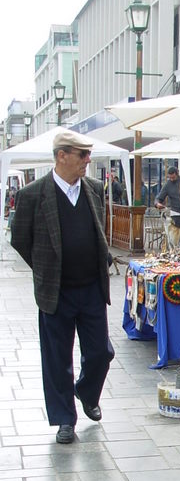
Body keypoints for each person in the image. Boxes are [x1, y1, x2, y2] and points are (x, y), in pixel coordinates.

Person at [11, 129, 114, 445]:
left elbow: (100, 233)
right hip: (56, 292)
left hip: (91, 289)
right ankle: (64, 420)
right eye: (82, 155)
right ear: (62, 156)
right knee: (57, 358)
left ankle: (86, 391)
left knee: (101, 353)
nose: (88, 160)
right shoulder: (33, 195)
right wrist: (44, 269)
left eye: (88, 154)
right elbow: (19, 239)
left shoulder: (95, 190)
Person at [155, 167, 180, 246]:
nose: (171, 179)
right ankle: (176, 250)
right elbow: (159, 197)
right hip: (175, 213)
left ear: (177, 174)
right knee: (175, 237)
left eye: (173, 177)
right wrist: (157, 203)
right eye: (170, 177)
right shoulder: (168, 185)